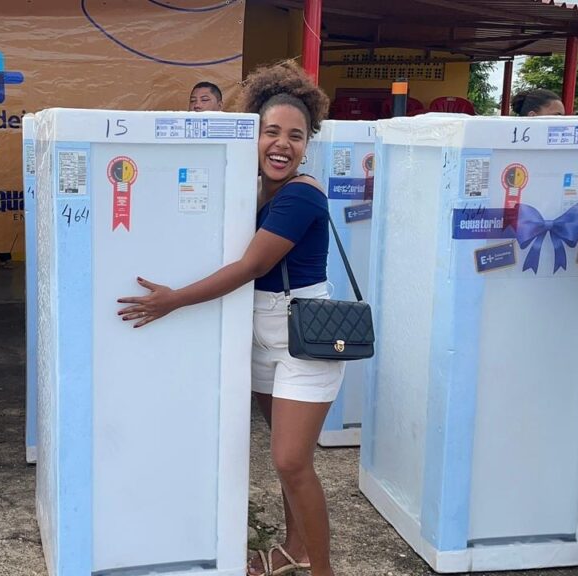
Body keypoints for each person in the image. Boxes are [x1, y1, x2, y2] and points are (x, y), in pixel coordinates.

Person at [118, 60, 339, 576]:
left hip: (304, 338)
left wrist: (173, 300)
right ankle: (295, 548)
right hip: (260, 336)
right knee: (288, 460)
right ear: (253, 134)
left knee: (290, 459)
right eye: (271, 132)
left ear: (308, 143)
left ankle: (323, 568)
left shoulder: (301, 194)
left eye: (296, 136)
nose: (282, 145)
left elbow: (251, 266)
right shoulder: (249, 188)